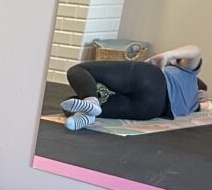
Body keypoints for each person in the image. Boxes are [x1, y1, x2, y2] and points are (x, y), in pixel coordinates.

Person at [61, 45, 206, 131]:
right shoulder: (194, 103)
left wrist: (167, 55)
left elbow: (195, 50)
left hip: (153, 80)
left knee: (78, 70)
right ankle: (86, 115)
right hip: (151, 109)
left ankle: (91, 101)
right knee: (71, 103)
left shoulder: (188, 72)